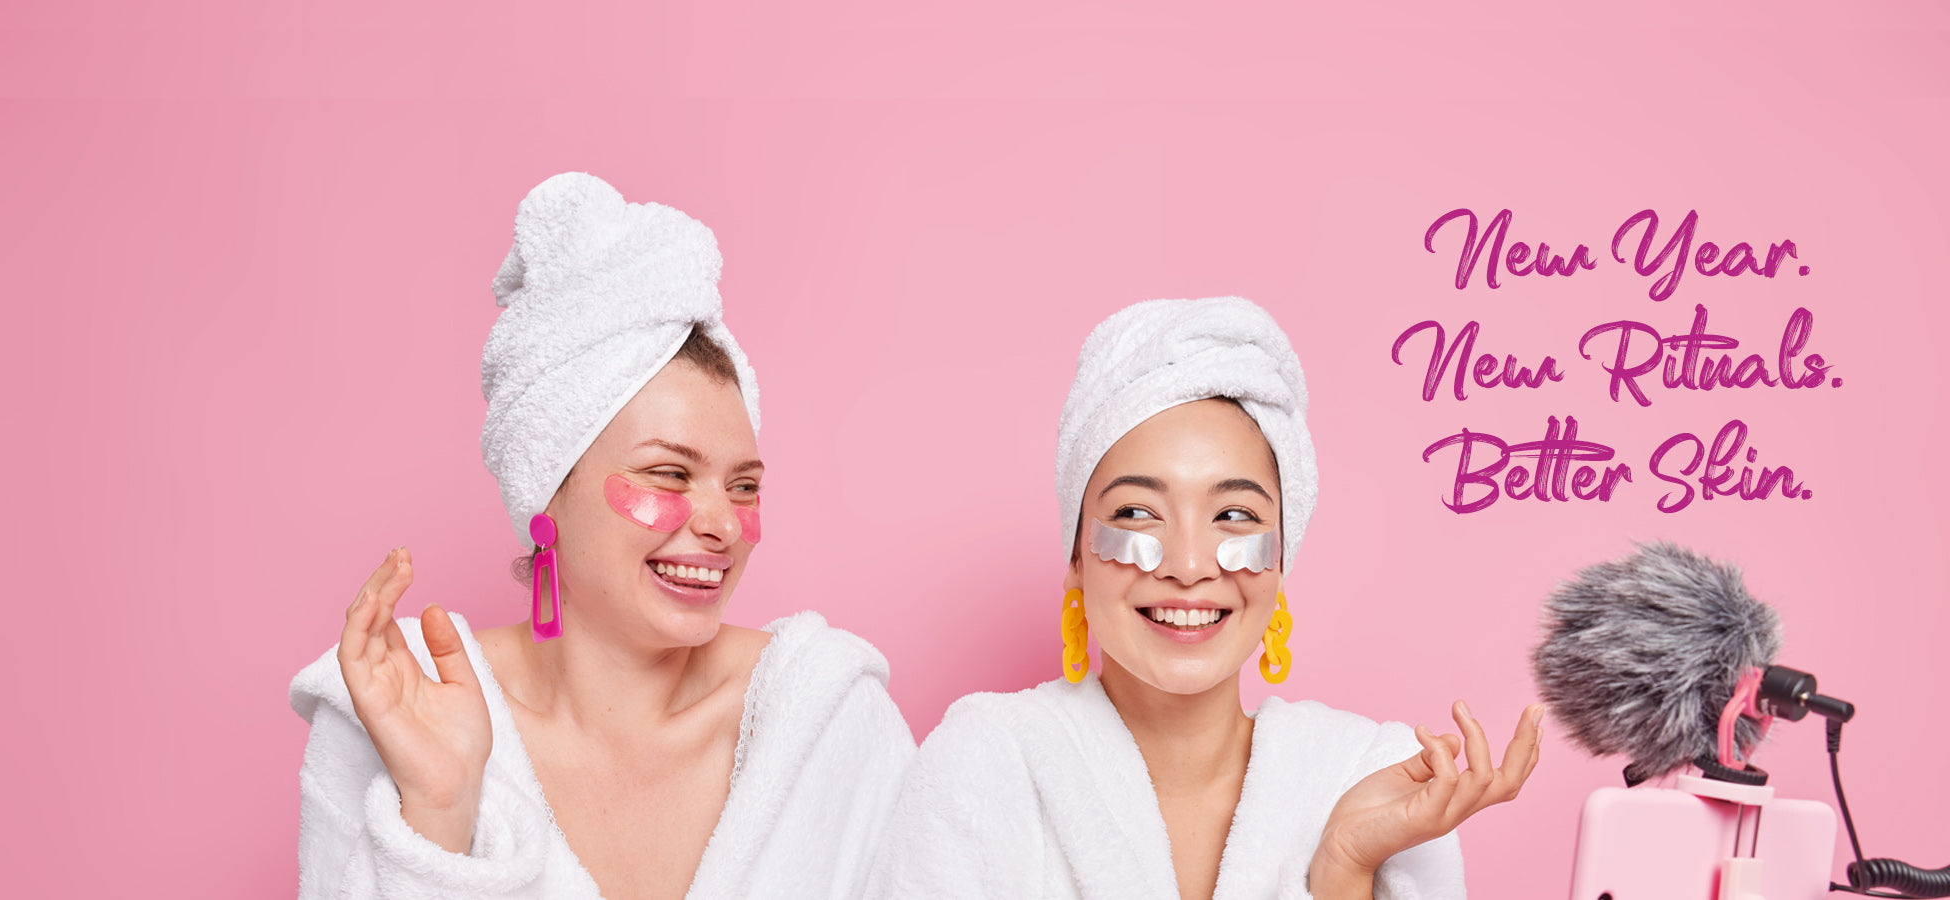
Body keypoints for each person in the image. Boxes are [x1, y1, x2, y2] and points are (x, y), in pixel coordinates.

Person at [288, 173, 914, 899]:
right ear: (547, 495)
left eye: (743, 486)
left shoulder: (827, 720)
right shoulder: (397, 711)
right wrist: (439, 812)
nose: (720, 525)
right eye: (669, 475)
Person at [868, 297, 1542, 900]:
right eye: (1136, 514)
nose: (1189, 568)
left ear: (1282, 557)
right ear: (1076, 556)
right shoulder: (987, 764)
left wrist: (1342, 867)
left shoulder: (1361, 776)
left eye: (1234, 517)